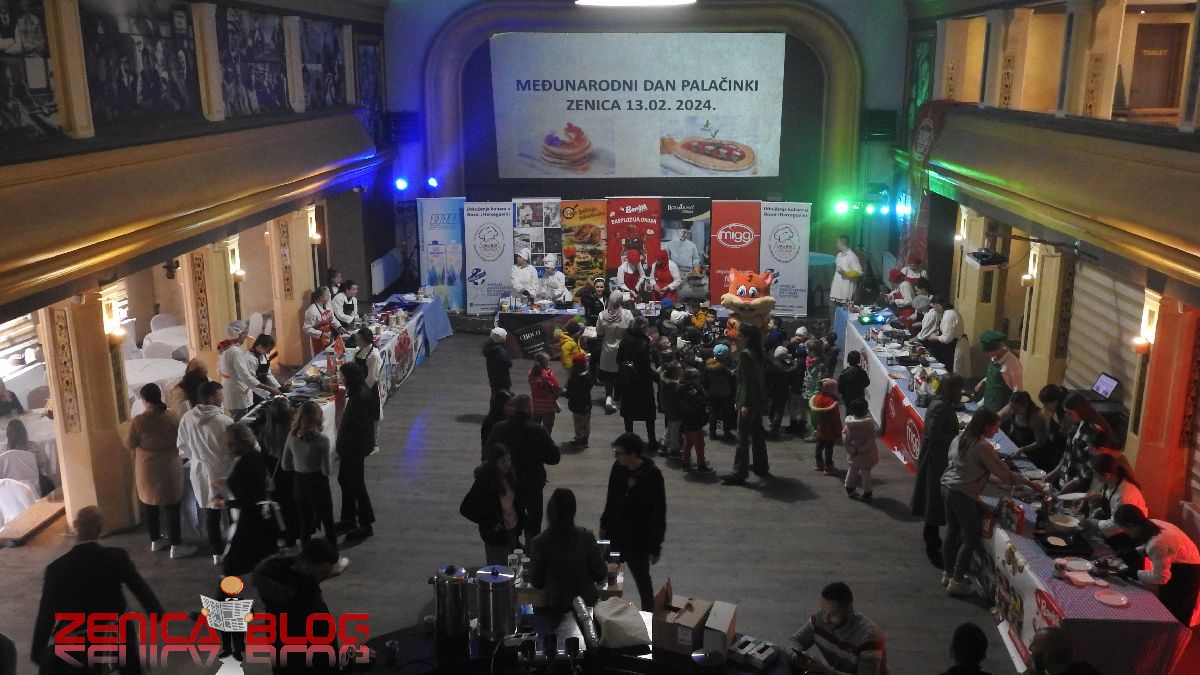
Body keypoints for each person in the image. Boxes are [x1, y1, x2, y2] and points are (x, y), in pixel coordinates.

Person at [31, 507, 163, 675]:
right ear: (99, 530)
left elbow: (46, 613)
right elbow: (140, 589)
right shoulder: (116, 557)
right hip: (114, 635)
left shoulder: (56, 569)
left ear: (76, 528)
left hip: (75, 639)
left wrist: (38, 650)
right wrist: (156, 613)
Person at [941, 408, 1042, 597]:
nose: (996, 431)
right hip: (962, 494)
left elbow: (966, 466)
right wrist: (1030, 483)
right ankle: (957, 582)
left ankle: (948, 573)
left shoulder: (959, 438)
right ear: (986, 426)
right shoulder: (982, 447)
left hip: (947, 487)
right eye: (995, 427)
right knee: (970, 538)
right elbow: (1005, 474)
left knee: (952, 530)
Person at [253, 539, 342, 675]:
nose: (327, 577)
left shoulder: (293, 583)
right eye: (323, 572)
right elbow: (309, 656)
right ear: (306, 566)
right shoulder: (294, 603)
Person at [124, 384, 193, 559]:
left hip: (147, 468)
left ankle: (155, 540)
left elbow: (129, 443)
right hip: (169, 466)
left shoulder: (139, 421)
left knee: (150, 506)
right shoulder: (171, 416)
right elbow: (182, 438)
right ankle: (176, 545)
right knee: (172, 507)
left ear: (144, 400)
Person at [600, 433, 666, 610]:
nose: (616, 456)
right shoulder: (618, 468)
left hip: (638, 540)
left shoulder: (652, 475)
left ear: (633, 454)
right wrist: (604, 525)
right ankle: (609, 614)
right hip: (614, 535)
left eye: (619, 453)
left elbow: (658, 512)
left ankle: (648, 616)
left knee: (643, 581)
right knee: (611, 583)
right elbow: (610, 498)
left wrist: (655, 546)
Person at [485, 394, 560, 546]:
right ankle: (531, 552)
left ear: (514, 409)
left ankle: (514, 550)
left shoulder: (499, 428)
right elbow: (554, 458)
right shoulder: (538, 430)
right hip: (532, 483)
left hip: (506, 484)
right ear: (529, 408)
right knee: (533, 521)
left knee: (510, 520)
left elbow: (487, 454)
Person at [177, 381, 235, 565]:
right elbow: (235, 448)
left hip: (200, 471)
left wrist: (196, 455)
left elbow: (182, 447)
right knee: (232, 509)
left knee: (212, 513)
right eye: (220, 394)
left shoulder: (187, 418)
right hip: (224, 470)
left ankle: (216, 551)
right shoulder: (224, 422)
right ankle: (235, 547)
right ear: (211, 398)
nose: (223, 396)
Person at [1112, 504, 1200, 625]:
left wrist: (1132, 573)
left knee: (1175, 612)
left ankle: (1175, 634)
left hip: (1187, 571)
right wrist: (1135, 552)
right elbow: (1161, 547)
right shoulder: (1151, 523)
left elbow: (1161, 578)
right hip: (1181, 559)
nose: (1125, 532)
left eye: (1124, 528)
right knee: (1166, 606)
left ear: (1130, 525)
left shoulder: (1157, 543)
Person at [912, 374, 965, 569]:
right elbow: (932, 434)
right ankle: (932, 545)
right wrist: (956, 437)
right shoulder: (941, 407)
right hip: (935, 460)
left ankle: (932, 540)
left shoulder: (940, 403)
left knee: (932, 500)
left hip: (937, 458)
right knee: (933, 500)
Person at [210, 422, 277, 577]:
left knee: (231, 567)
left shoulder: (242, 464)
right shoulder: (255, 456)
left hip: (247, 521)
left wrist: (223, 502)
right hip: (261, 518)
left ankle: (229, 592)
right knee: (262, 561)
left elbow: (246, 500)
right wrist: (227, 481)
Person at [283, 401, 345, 568]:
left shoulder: (291, 436)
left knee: (305, 523)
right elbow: (326, 471)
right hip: (318, 483)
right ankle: (334, 557)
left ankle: (307, 558)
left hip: (299, 483)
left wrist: (299, 465)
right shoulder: (322, 440)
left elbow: (285, 465)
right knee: (327, 521)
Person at [528, 488, 606, 610]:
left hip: (552, 609)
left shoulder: (538, 543)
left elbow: (536, 582)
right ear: (573, 511)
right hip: (585, 608)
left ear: (550, 511)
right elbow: (600, 575)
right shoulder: (587, 538)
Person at [788, 581, 888, 675]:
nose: (825, 619)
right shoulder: (819, 619)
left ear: (849, 609)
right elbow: (795, 640)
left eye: (833, 615)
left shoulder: (869, 637)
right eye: (823, 611)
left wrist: (823, 670)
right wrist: (797, 656)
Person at [331, 363, 376, 543]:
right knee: (345, 479)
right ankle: (348, 517)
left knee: (356, 484)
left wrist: (345, 444)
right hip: (351, 447)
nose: (341, 379)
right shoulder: (360, 392)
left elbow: (357, 428)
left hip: (354, 448)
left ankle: (365, 523)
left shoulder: (359, 398)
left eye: (343, 376)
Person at [460, 443, 526, 565]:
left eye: (509, 460)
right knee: (500, 570)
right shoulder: (485, 482)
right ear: (494, 463)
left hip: (512, 530)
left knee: (513, 568)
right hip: (496, 535)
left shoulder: (510, 475)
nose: (508, 464)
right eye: (503, 461)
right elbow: (465, 508)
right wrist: (490, 523)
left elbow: (516, 501)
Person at [722, 323, 770, 485]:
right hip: (758, 399)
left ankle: (739, 473)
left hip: (748, 400)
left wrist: (745, 404)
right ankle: (761, 465)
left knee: (742, 437)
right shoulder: (758, 352)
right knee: (757, 433)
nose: (737, 338)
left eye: (740, 336)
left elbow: (748, 382)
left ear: (747, 337)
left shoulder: (746, 354)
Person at [1046, 394, 1119, 493]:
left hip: (1082, 485)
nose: (1067, 416)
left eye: (1070, 413)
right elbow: (1068, 453)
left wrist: (1074, 482)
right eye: (1066, 412)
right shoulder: (1077, 424)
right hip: (1068, 478)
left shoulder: (1093, 431)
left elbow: (1093, 465)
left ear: (1081, 411)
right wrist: (1056, 472)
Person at [258, 397, 298, 548]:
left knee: (279, 510)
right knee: (293, 509)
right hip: (292, 477)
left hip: (274, 480)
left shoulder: (264, 434)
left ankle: (282, 537)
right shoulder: (292, 434)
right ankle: (293, 538)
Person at [1083, 453, 1146, 544]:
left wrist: (1090, 522)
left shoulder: (1124, 495)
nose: (1095, 477)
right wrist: (1098, 501)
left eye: (1096, 475)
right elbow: (1109, 499)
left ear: (1107, 475)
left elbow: (1116, 525)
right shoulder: (1113, 482)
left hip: (1126, 535)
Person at [618, 316, 660, 451]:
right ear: (644, 328)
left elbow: (619, 359)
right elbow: (645, 367)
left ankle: (628, 440)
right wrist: (658, 378)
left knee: (629, 414)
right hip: (642, 383)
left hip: (627, 381)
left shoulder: (625, 339)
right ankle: (652, 440)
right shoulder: (644, 344)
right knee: (648, 413)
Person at [596, 291, 633, 413]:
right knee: (620, 374)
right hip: (623, 349)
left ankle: (608, 397)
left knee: (608, 375)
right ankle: (617, 398)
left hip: (607, 350)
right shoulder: (627, 314)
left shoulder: (602, 315)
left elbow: (599, 332)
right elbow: (632, 329)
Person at [1020, 385, 1069, 472]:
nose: (1044, 407)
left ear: (1055, 402)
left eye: (1046, 404)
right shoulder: (1057, 411)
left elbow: (1062, 439)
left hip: (1061, 450)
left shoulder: (1066, 416)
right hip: (1054, 444)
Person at [918, 296, 968, 377]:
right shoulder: (951, 312)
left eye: (934, 307)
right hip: (954, 343)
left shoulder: (948, 315)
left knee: (951, 371)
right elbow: (948, 332)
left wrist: (935, 337)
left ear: (938, 305)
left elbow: (947, 339)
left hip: (954, 346)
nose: (934, 310)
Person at [217, 320, 257, 419]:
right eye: (245, 334)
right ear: (240, 334)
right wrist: (269, 389)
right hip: (237, 392)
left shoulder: (225, 348)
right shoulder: (235, 351)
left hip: (228, 388)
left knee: (234, 417)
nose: (246, 337)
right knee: (240, 420)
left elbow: (219, 369)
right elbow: (246, 376)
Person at [975, 330, 1023, 412]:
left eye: (988, 352)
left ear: (996, 349)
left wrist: (1003, 413)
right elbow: (994, 375)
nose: (987, 354)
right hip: (988, 405)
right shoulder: (994, 357)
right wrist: (983, 381)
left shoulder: (1012, 363)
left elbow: (1018, 392)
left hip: (1001, 409)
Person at [842, 398, 880, 502]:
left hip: (854, 454)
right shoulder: (869, 425)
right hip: (867, 454)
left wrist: (851, 449)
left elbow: (845, 437)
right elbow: (871, 439)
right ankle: (867, 491)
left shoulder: (849, 425)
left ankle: (848, 486)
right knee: (866, 472)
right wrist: (863, 449)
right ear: (866, 409)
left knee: (852, 470)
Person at [1025, 627, 1100, 675]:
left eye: (1035, 645)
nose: (1029, 648)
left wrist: (1032, 671)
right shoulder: (1084, 667)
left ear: (1049, 656)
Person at [351, 326, 384, 429]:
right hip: (359, 388)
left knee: (372, 418)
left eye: (358, 339)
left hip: (369, 390)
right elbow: (353, 367)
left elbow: (372, 378)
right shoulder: (358, 350)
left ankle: (374, 439)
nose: (356, 341)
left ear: (364, 340)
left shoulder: (374, 355)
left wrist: (361, 392)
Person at [704, 343, 736, 441]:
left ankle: (712, 433)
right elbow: (732, 380)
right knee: (726, 413)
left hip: (712, 392)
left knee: (713, 412)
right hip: (726, 393)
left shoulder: (709, 364)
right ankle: (727, 432)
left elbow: (705, 380)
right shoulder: (724, 369)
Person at [810, 378, 842, 475]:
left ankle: (819, 464)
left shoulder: (816, 398)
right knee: (829, 449)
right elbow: (835, 419)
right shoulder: (832, 402)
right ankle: (828, 467)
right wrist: (839, 431)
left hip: (820, 428)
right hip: (830, 431)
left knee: (819, 447)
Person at [766, 345, 798, 438]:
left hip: (773, 389)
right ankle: (776, 427)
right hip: (784, 390)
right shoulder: (790, 366)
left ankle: (770, 419)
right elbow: (794, 370)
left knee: (772, 405)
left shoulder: (772, 365)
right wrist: (791, 361)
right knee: (780, 410)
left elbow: (768, 376)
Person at [0, 419, 38, 494]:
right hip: (32, 489)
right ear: (24, 433)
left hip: (8, 491)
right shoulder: (33, 447)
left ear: (7, 434)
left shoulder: (2, 451)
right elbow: (45, 466)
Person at [803, 340, 830, 443]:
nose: (806, 350)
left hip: (816, 392)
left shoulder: (820, 364)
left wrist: (818, 392)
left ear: (813, 351)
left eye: (807, 348)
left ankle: (816, 433)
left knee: (815, 413)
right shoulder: (810, 360)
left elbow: (821, 379)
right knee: (811, 412)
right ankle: (814, 431)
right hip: (809, 389)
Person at [528, 351, 562, 434]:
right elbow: (556, 388)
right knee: (547, 428)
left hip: (536, 404)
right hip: (548, 406)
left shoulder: (531, 373)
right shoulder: (548, 375)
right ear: (545, 362)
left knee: (535, 426)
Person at [303, 286, 342, 355]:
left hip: (329, 336)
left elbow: (332, 318)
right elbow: (306, 328)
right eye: (327, 295)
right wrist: (321, 334)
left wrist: (339, 327)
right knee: (321, 357)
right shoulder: (312, 311)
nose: (329, 296)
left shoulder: (327, 305)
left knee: (330, 355)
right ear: (321, 297)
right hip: (318, 340)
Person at [565, 353, 593, 449]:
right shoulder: (588, 376)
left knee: (578, 424)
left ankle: (580, 441)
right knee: (586, 422)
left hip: (577, 405)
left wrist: (564, 393)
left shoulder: (574, 378)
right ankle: (585, 438)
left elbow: (570, 392)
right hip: (586, 404)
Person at [248, 334, 285, 404]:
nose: (269, 352)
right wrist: (268, 392)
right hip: (253, 392)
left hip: (264, 389)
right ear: (260, 346)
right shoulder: (250, 359)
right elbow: (252, 382)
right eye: (268, 350)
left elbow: (268, 374)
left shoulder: (264, 356)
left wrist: (277, 387)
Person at [658, 360, 684, 459]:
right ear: (674, 373)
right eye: (680, 369)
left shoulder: (664, 380)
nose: (682, 370)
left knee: (670, 426)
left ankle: (664, 445)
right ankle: (674, 449)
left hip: (667, 407)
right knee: (675, 429)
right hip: (675, 408)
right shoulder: (676, 385)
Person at [829, 235, 863, 309]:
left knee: (845, 313)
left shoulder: (852, 256)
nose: (836, 245)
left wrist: (844, 272)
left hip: (845, 294)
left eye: (837, 242)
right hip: (835, 292)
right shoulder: (838, 255)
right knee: (832, 312)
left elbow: (859, 272)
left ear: (842, 243)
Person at [483, 327, 513, 405]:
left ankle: (493, 409)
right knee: (504, 396)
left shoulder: (489, 348)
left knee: (494, 394)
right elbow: (508, 363)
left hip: (492, 377)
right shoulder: (502, 352)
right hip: (503, 379)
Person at [481, 390, 513, 454]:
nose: (512, 408)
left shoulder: (510, 419)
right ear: (500, 405)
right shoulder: (490, 422)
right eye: (509, 405)